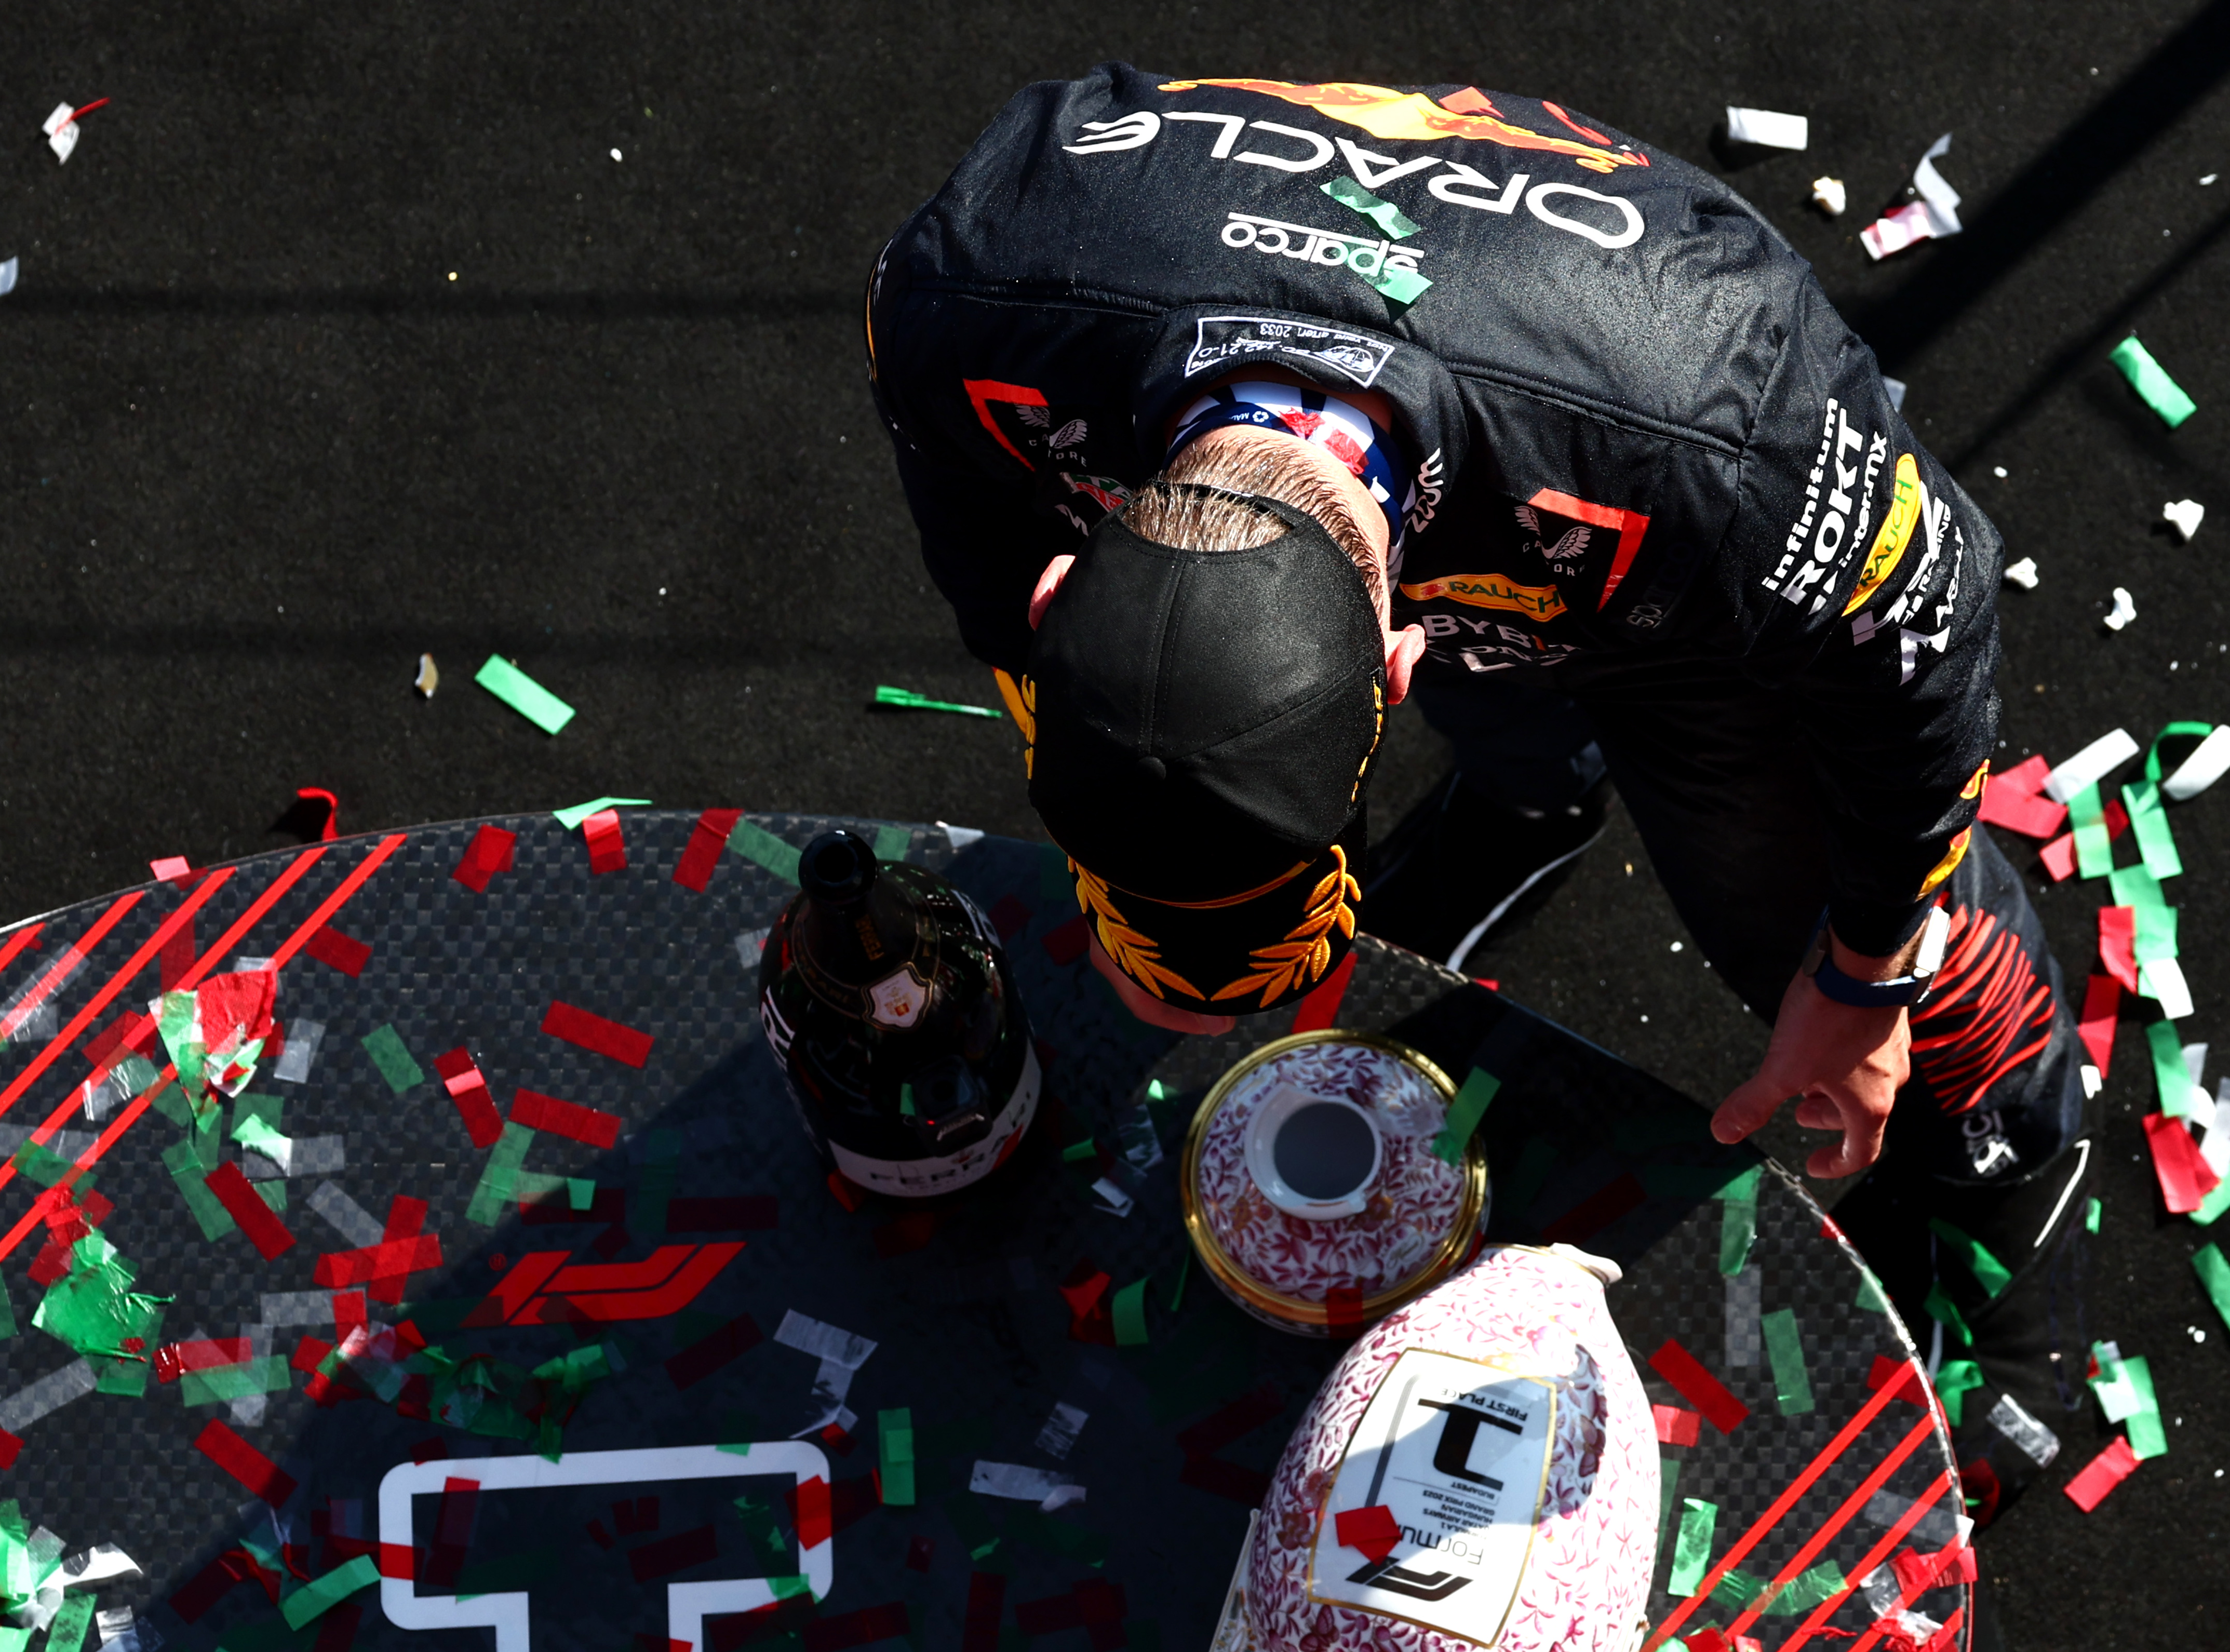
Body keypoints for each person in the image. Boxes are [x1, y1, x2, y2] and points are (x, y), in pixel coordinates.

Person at [864, 66, 2089, 1389]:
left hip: (1653, 536)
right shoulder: (962, 299)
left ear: (1401, 664)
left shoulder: (1726, 436)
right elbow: (996, 584)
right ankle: (1531, 801)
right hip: (1486, 496)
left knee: (1875, 952)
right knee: (1435, 685)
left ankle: (2012, 1255)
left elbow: (1933, 635)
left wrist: (1865, 978)